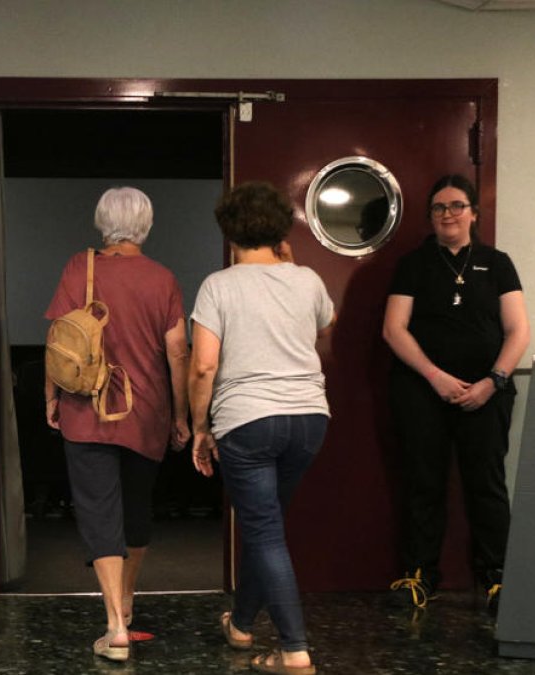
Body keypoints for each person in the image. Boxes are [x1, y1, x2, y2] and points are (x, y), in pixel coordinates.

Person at [188, 181, 333, 675]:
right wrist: (288, 263)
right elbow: (321, 327)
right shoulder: (308, 279)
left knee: (266, 532)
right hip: (310, 420)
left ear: (229, 231)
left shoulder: (219, 286)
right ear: (281, 228)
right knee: (265, 524)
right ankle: (242, 624)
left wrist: (200, 427)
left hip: (247, 421)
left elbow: (204, 367)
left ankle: (295, 650)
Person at [44, 186, 189, 662]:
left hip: (86, 409)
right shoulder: (163, 279)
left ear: (101, 221)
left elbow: (59, 339)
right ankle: (125, 602)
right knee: (136, 509)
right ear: (146, 226)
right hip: (147, 409)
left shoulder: (77, 267)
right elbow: (178, 352)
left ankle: (115, 626)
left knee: (98, 511)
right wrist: (182, 414)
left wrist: (52, 398)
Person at [383, 174, 530, 611]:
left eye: (456, 206)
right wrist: (435, 376)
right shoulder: (413, 264)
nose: (447, 214)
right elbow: (394, 329)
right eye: (439, 208)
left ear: (473, 213)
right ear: (430, 216)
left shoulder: (497, 262)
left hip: (488, 393)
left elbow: (518, 329)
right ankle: (419, 576)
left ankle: (498, 579)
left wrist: (493, 381)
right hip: (422, 391)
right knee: (423, 482)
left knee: (486, 485)